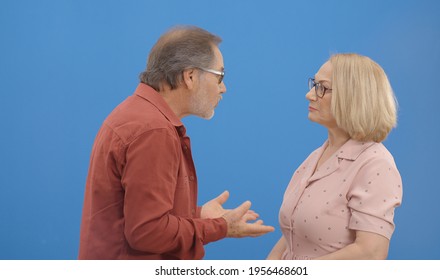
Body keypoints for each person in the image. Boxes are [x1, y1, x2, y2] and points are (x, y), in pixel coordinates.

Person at [79, 26, 274, 260]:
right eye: (220, 76)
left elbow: (140, 218)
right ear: (190, 77)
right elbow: (147, 232)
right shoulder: (153, 130)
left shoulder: (137, 115)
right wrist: (222, 227)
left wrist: (198, 214)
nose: (224, 87)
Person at [267, 53, 403, 260]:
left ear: (353, 97)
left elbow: (371, 253)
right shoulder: (317, 156)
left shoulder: (376, 165)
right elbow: (294, 232)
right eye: (314, 84)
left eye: (322, 87)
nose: (310, 95)